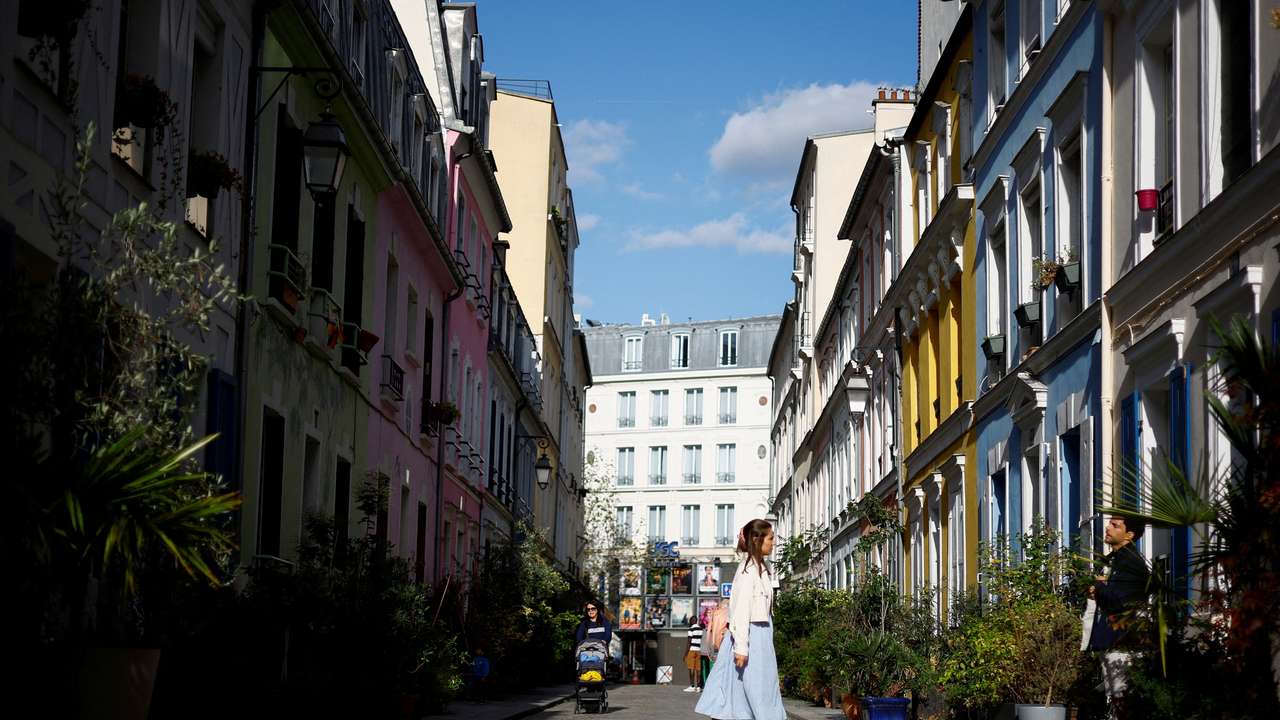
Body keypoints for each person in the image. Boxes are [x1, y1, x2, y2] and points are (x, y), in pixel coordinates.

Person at [695, 519, 786, 720]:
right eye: (770, 538)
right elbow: (740, 610)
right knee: (751, 691)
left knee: (756, 690)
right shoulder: (748, 571)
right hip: (750, 636)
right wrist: (742, 648)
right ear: (757, 539)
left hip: (761, 636)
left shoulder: (762, 568)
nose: (773, 542)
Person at [1087, 515, 1150, 719]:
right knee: (1114, 701)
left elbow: (1120, 602)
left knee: (1122, 703)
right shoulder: (1113, 559)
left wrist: (1098, 587)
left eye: (1115, 526)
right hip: (1111, 641)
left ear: (1129, 535)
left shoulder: (1131, 563)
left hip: (1124, 642)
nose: (1108, 528)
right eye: (1109, 523)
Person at [684, 618, 704, 692]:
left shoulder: (691, 629)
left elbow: (689, 642)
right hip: (698, 650)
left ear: (692, 621)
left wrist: (685, 654)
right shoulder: (700, 629)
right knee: (698, 669)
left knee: (691, 668)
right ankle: (698, 687)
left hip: (692, 650)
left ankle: (692, 686)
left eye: (690, 621)